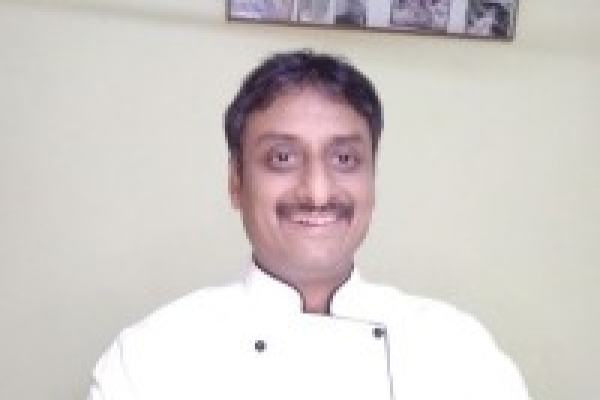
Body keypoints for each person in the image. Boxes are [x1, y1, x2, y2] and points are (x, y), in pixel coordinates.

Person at [87, 50, 531, 400]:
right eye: (282, 158)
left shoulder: (460, 351)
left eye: (345, 159)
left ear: (372, 179)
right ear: (236, 182)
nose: (317, 192)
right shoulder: (151, 358)